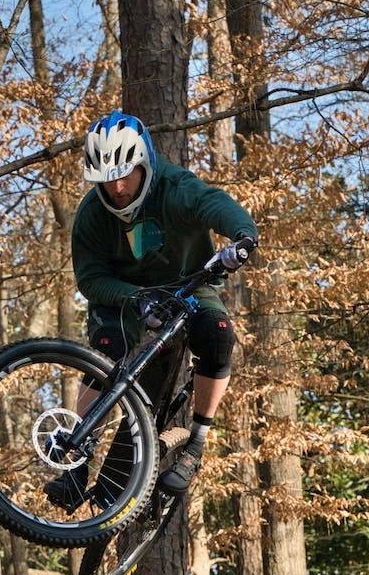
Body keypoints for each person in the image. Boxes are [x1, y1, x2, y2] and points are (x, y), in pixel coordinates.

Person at [45, 110, 259, 512]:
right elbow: (90, 280)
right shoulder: (92, 214)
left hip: (189, 286)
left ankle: (195, 443)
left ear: (144, 165)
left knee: (218, 334)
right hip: (125, 298)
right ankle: (77, 466)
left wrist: (243, 235)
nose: (117, 186)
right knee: (106, 353)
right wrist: (136, 298)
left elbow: (217, 205)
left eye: (125, 174)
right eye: (106, 180)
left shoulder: (175, 187)